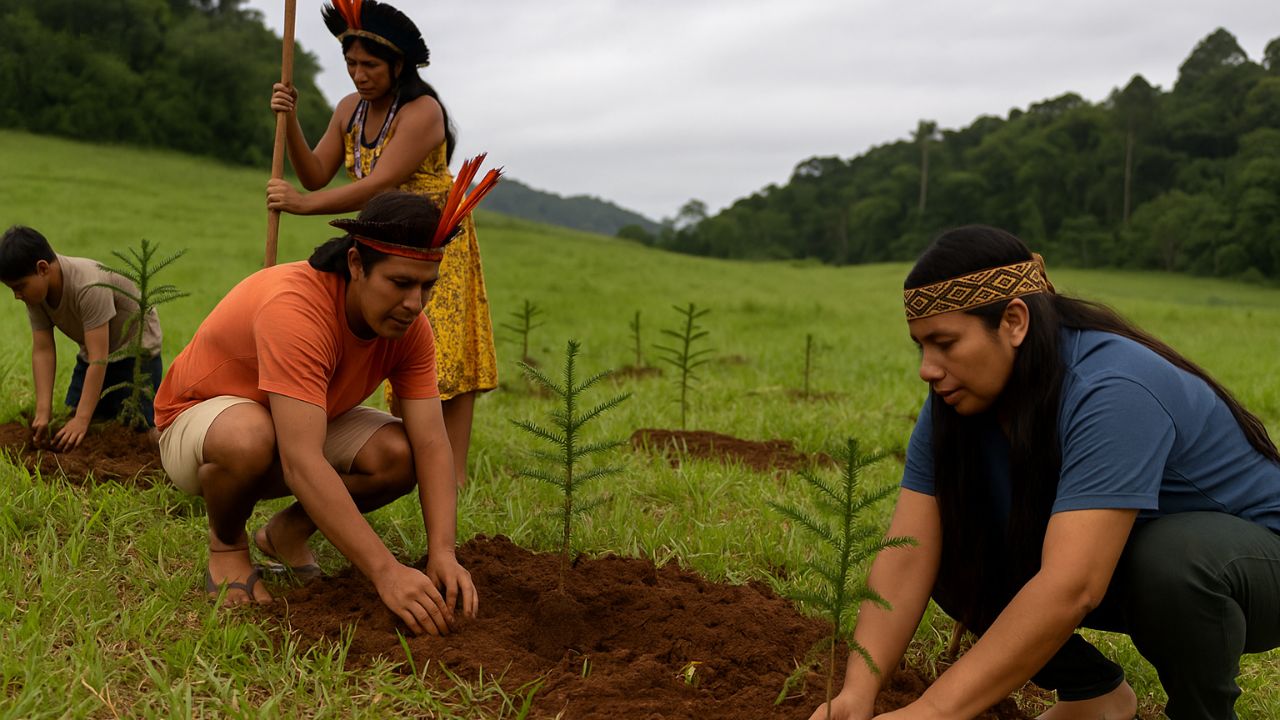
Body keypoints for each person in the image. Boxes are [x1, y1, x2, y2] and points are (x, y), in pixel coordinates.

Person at [812, 225, 1280, 720]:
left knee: (1173, 560)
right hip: (1126, 559)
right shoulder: (957, 401)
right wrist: (857, 694)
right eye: (921, 347)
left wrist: (933, 711)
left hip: (1252, 567)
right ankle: (1094, 697)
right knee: (951, 539)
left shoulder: (1111, 389)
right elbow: (908, 553)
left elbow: (1071, 586)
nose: (928, 368)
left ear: (1014, 322)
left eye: (945, 343)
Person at [154, 190, 486, 633]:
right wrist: (386, 572)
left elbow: (431, 441)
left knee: (400, 454)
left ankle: (285, 534)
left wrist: (443, 551)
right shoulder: (296, 309)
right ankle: (227, 547)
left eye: (428, 286)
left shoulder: (411, 328)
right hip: (198, 424)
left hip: (294, 419)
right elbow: (302, 463)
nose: (415, 303)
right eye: (400, 283)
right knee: (249, 437)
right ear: (355, 264)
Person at [265, 0, 497, 488]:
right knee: (386, 341)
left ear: (397, 65)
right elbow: (313, 173)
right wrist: (291, 122)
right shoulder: (349, 109)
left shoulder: (423, 111)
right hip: (381, 240)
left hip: (434, 241)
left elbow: (379, 184)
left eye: (369, 65)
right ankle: (395, 457)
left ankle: (449, 477)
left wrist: (303, 207)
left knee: (442, 355)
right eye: (350, 63)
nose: (357, 74)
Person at [0, 225, 164, 450]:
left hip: (134, 353)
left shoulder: (89, 285)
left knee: (137, 430)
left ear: (42, 268)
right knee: (73, 420)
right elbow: (43, 350)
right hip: (93, 354)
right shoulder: (35, 295)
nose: (17, 295)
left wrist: (82, 420)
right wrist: (43, 410)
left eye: (19, 287)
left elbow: (100, 357)